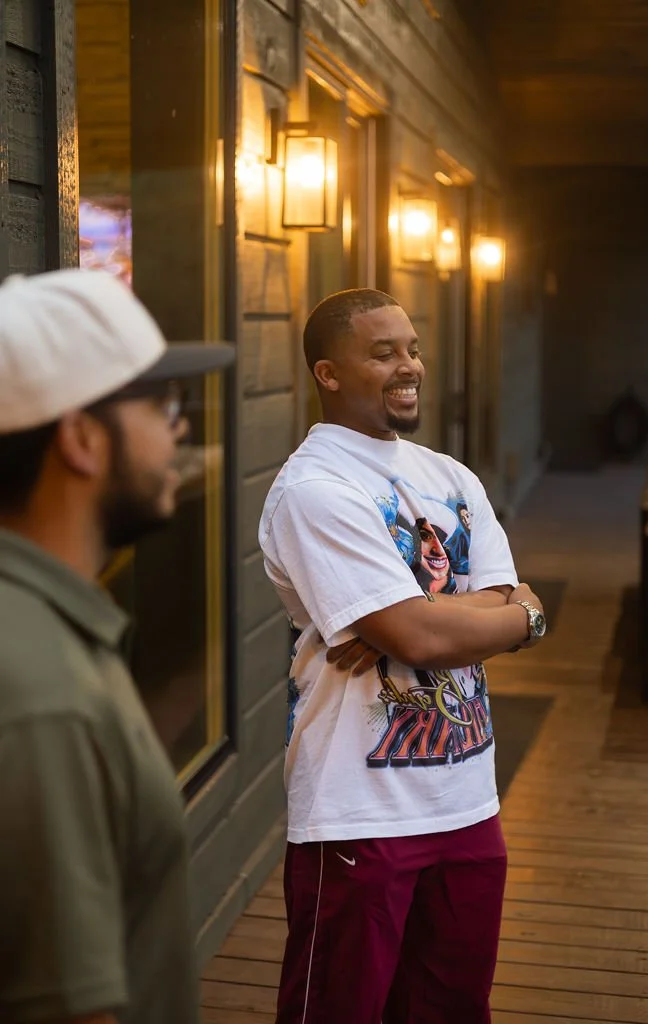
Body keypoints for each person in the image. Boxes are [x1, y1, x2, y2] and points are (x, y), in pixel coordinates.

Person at [258, 288, 546, 1024]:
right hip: (357, 809)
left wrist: (497, 613)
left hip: (467, 797)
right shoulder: (315, 488)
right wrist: (502, 616)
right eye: (382, 354)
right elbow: (424, 639)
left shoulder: (451, 477)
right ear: (328, 373)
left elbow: (487, 602)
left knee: (452, 1007)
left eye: (412, 349)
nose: (409, 366)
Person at [0, 269, 233, 1024]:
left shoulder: (45, 625)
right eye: (162, 405)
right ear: (81, 438)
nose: (181, 429)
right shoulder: (44, 697)